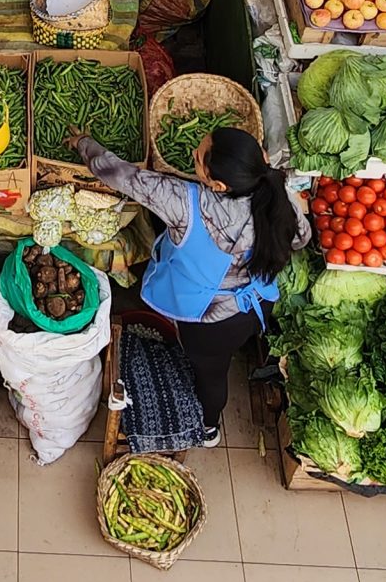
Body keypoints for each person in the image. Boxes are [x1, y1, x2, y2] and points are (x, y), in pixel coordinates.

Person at [71, 124, 304, 447]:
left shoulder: (188, 202)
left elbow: (124, 176)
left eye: (198, 158)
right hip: (257, 304)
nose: (193, 155)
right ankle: (209, 418)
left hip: (211, 319)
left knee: (210, 372)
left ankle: (208, 429)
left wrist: (84, 143)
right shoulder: (279, 198)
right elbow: (300, 238)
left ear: (218, 184)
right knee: (216, 364)